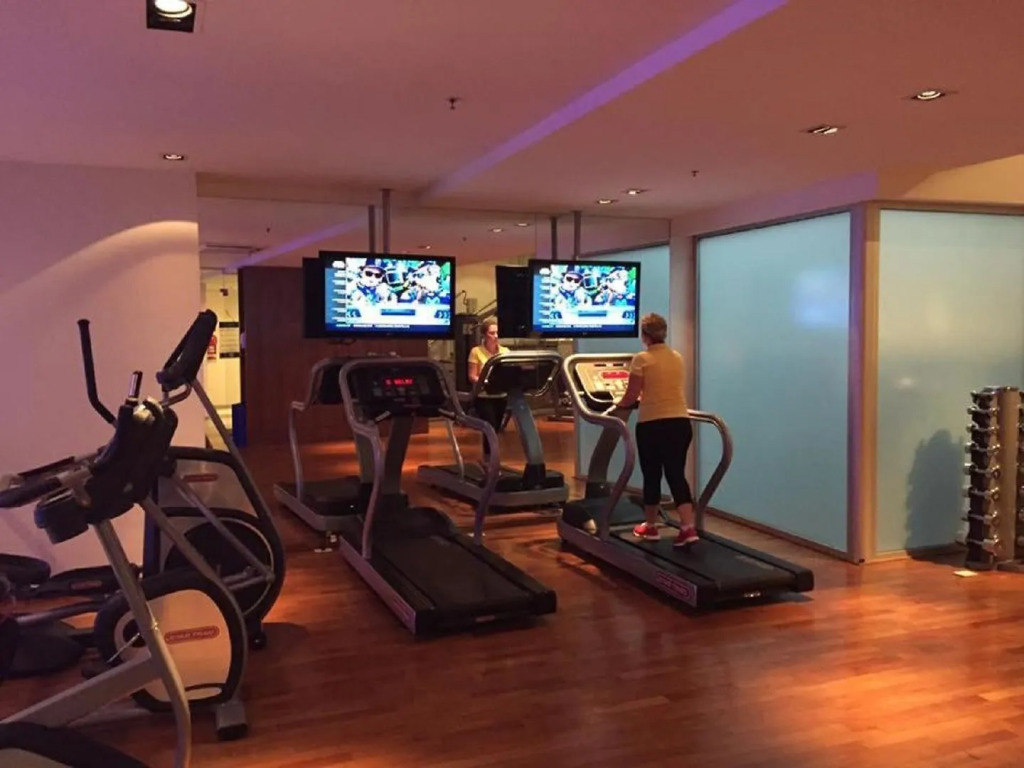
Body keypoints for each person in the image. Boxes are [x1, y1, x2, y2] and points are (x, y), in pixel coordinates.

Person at [608, 312, 697, 548]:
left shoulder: (642, 359)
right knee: (676, 474)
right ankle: (688, 527)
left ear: (644, 335)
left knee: (652, 475)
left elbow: (631, 395)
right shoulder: (677, 357)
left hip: (653, 424)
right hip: (680, 422)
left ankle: (651, 526)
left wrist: (616, 406)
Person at [467, 319, 510, 457]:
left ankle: (492, 457)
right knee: (489, 426)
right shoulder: (476, 351)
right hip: (484, 396)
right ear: (484, 335)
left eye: (497, 333)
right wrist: (484, 382)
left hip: (501, 395)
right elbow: (472, 376)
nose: (495, 336)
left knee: (496, 427)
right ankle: (489, 457)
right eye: (492, 333)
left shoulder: (505, 351)